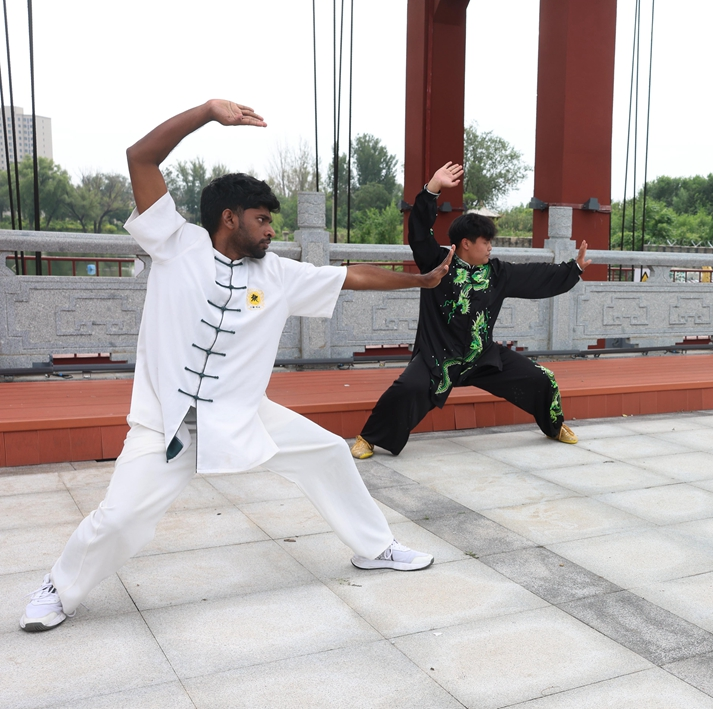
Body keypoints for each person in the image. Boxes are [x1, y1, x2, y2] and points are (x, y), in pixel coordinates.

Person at [20, 100, 452, 633]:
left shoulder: (277, 273)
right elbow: (140, 158)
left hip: (246, 414)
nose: (272, 230)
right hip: (167, 425)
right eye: (263, 219)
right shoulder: (176, 245)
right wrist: (206, 113)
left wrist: (421, 280)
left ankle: (375, 547)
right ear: (230, 218)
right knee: (122, 517)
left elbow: (351, 276)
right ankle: (59, 590)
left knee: (326, 454)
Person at [351, 163, 590, 459]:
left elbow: (535, 277)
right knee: (406, 388)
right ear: (466, 243)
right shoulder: (437, 261)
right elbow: (418, 233)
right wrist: (432, 190)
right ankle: (368, 438)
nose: (490, 247)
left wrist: (574, 268)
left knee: (543, 378)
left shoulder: (497, 272)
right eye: (485, 242)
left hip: (481, 356)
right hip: (437, 356)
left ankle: (554, 426)